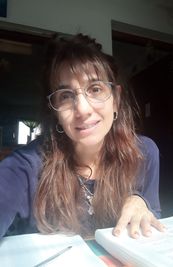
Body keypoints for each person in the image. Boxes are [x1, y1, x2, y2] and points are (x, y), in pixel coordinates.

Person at [0, 33, 164, 239]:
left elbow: (152, 222)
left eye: (95, 89)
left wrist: (141, 201)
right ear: (56, 112)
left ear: (116, 99)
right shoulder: (26, 167)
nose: (83, 109)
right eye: (66, 96)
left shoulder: (144, 153)